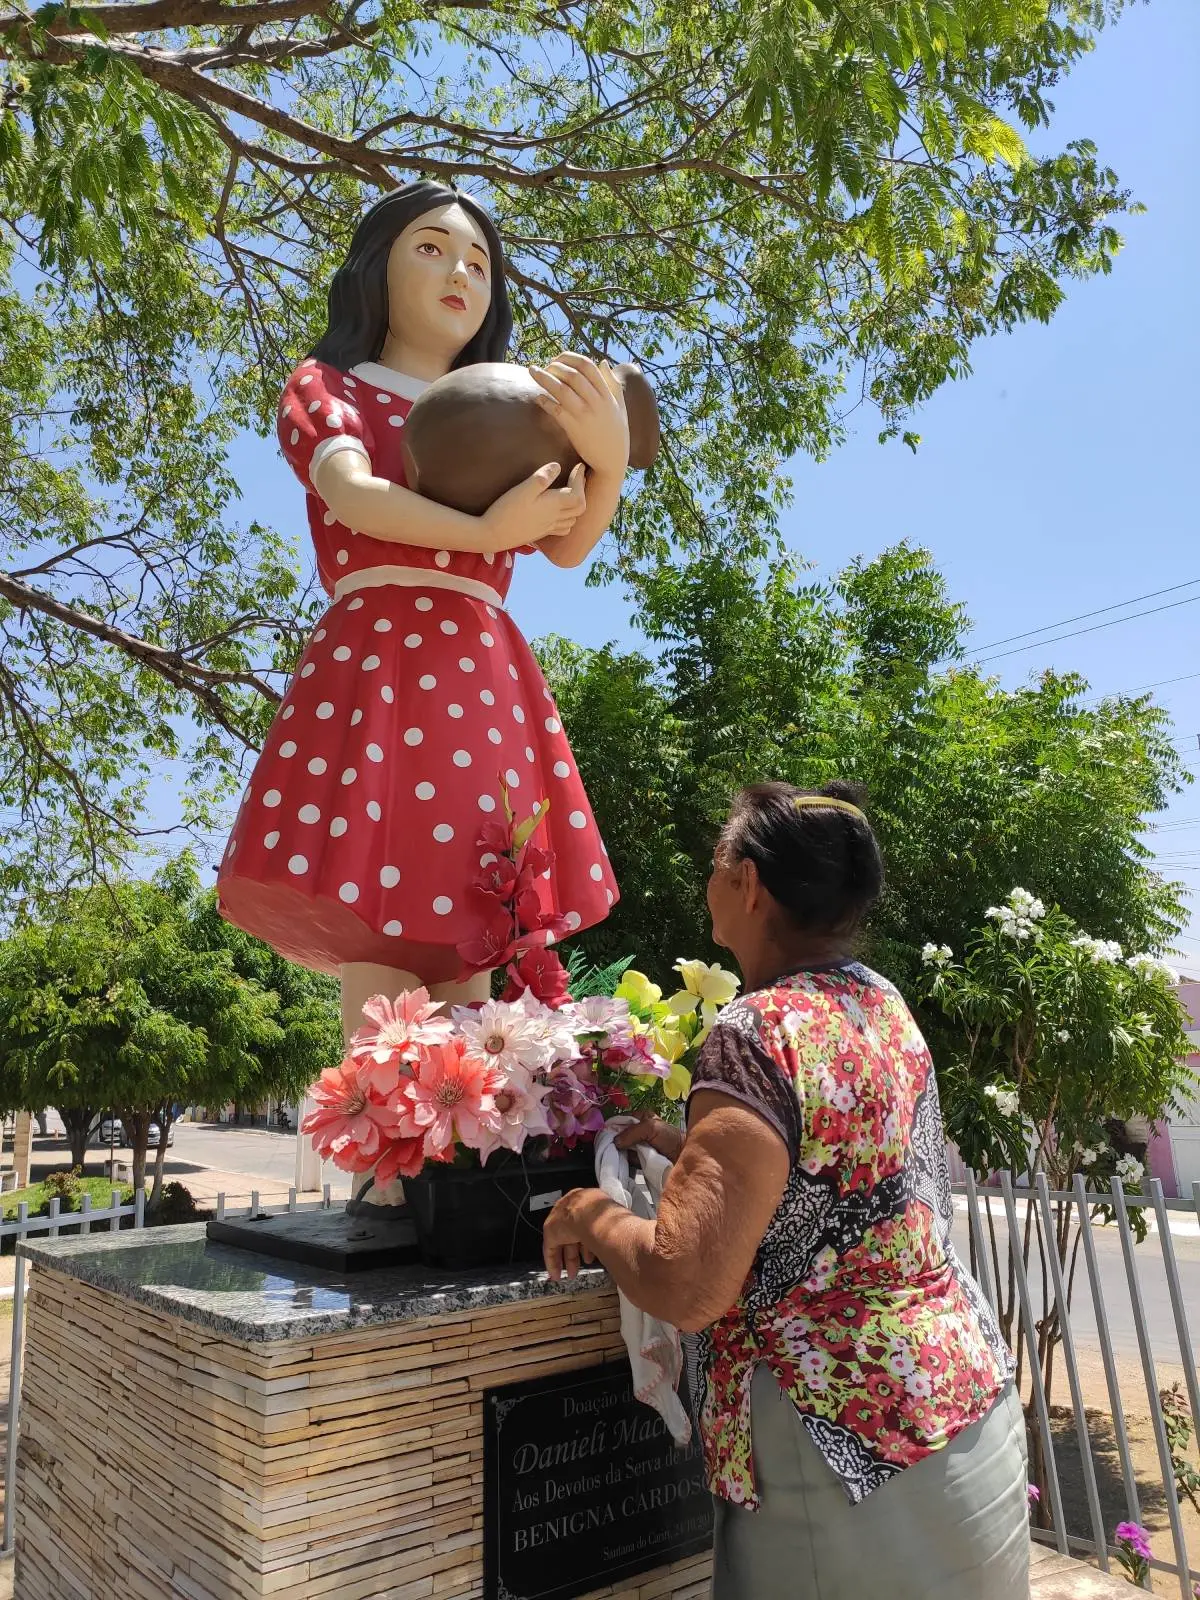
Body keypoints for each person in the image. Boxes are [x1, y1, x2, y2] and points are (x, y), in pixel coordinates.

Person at [216, 181, 627, 1203]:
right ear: (376, 269)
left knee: (472, 925)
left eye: (478, 261)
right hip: (382, 660)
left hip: (480, 673)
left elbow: (570, 539)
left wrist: (606, 459)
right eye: (432, 248)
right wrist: (486, 535)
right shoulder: (330, 385)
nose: (459, 273)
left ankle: (450, 1192)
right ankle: (385, 1192)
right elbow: (351, 490)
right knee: (380, 916)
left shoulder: (508, 413)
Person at [543, 782, 1029, 1599]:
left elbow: (685, 1283)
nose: (708, 882)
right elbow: (848, 1171)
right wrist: (691, 1149)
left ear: (749, 884)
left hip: (835, 1450)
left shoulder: (755, 1031)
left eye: (714, 863)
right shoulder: (879, 1001)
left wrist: (586, 1211)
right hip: (957, 1405)